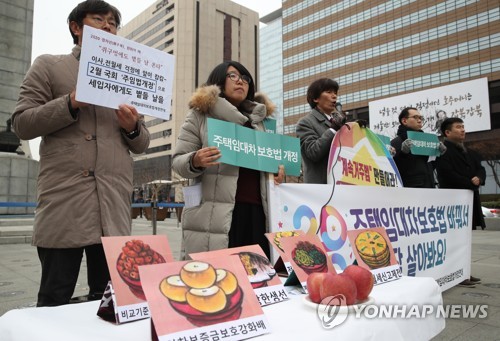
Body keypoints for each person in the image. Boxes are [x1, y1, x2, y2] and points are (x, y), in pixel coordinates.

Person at [11, 0, 150, 306]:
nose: (107, 26)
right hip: (66, 202)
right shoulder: (50, 65)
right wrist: (71, 102)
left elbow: (142, 144)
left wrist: (132, 128)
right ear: (76, 28)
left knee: (110, 299)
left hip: (112, 205)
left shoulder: (127, 77)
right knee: (54, 297)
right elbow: (21, 124)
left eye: (113, 23)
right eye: (98, 19)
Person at [172, 61, 284, 259]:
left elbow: (270, 164)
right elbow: (178, 162)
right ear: (219, 81)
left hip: (258, 214)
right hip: (216, 214)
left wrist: (275, 172)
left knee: (255, 279)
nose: (240, 81)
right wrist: (195, 160)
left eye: (245, 78)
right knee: (220, 280)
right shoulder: (200, 116)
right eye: (233, 76)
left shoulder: (261, 123)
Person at [436, 117, 485, 288]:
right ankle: (454, 273)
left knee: (465, 239)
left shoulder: (468, 151)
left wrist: (479, 178)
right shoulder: (442, 151)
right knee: (453, 239)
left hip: (469, 200)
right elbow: (446, 174)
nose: (462, 130)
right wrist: (470, 183)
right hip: (452, 201)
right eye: (458, 127)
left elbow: (481, 168)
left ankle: (464, 271)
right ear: (447, 133)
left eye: (463, 127)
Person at [295, 78, 346, 184]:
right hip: (320, 188)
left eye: (335, 93)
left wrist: (355, 129)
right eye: (328, 92)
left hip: (342, 184)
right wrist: (332, 129)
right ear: (315, 98)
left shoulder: (339, 121)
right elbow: (313, 152)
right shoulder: (305, 122)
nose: (334, 96)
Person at [390, 107, 439, 188]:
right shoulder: (396, 142)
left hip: (430, 188)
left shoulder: (426, 141)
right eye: (415, 117)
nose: (419, 120)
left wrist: (439, 154)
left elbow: (431, 166)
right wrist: (404, 154)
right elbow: (396, 170)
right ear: (404, 121)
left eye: (420, 118)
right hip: (412, 192)